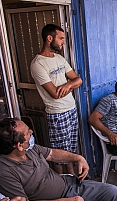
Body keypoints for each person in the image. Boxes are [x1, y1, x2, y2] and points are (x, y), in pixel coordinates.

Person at [0, 118, 117, 201]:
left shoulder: (30, 149)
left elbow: (52, 154)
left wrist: (78, 157)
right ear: (19, 145)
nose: (31, 131)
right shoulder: (5, 171)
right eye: (27, 133)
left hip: (67, 184)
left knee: (112, 192)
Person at [30, 24, 83, 175]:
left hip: (71, 108)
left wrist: (68, 84)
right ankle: (63, 182)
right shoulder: (38, 64)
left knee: (71, 148)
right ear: (49, 38)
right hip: (57, 113)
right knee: (60, 153)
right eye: (60, 38)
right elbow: (55, 93)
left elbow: (78, 80)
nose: (63, 42)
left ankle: (73, 178)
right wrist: (72, 85)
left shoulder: (59, 58)